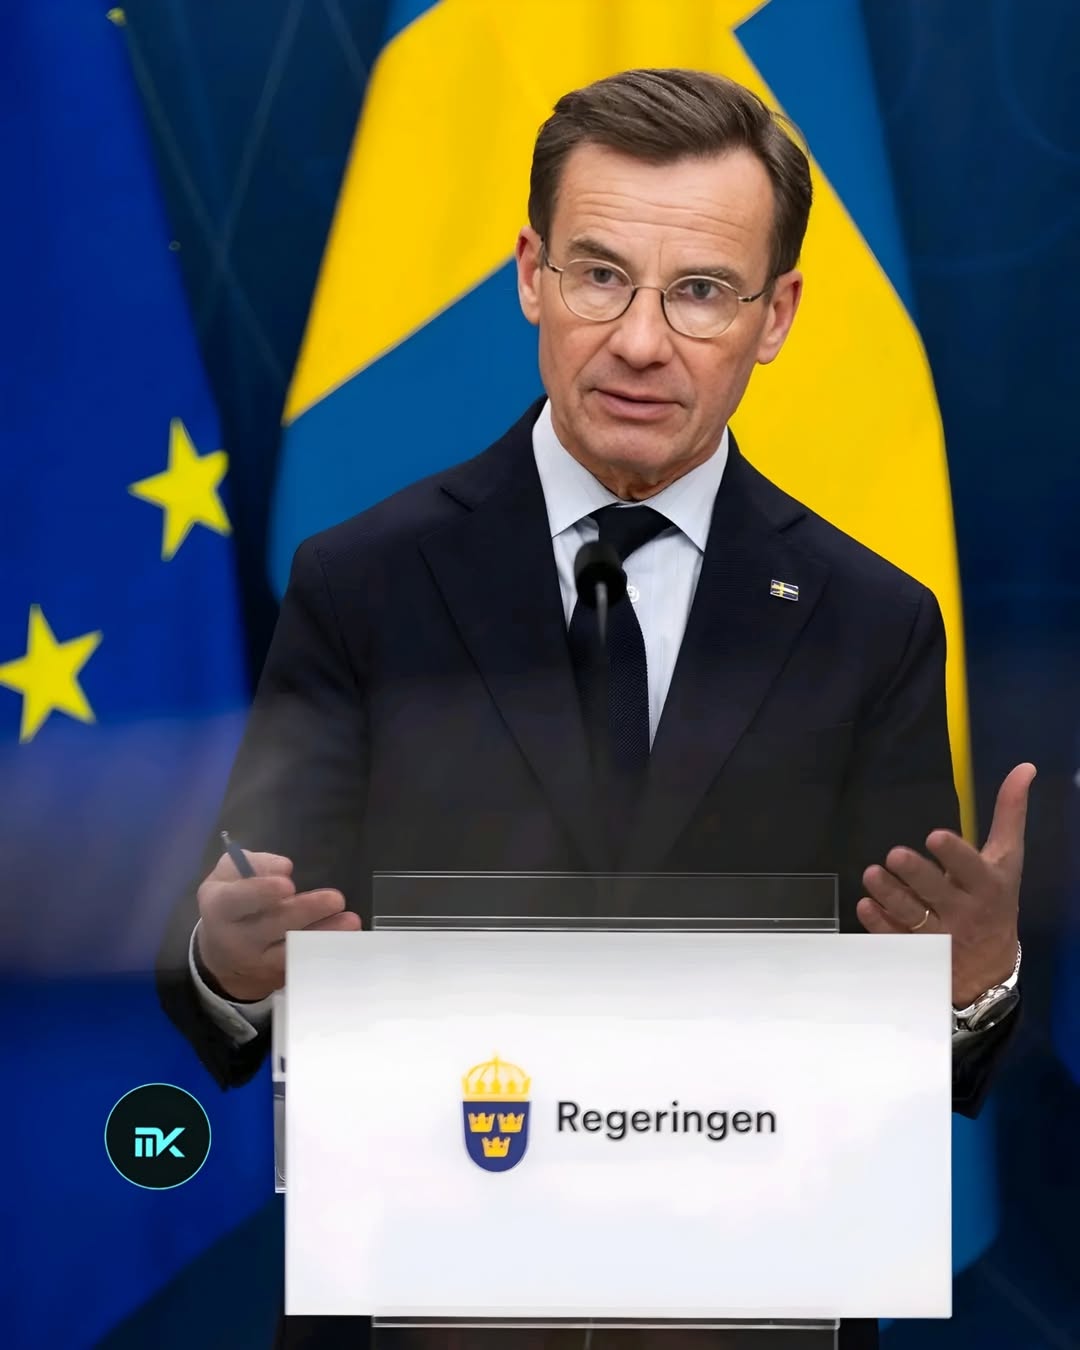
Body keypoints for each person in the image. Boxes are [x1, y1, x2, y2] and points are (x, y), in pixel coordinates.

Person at [156, 68, 1032, 1350]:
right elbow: (238, 955)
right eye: (601, 275)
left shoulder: (869, 621)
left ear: (777, 315)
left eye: (701, 291)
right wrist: (230, 964)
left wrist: (970, 984)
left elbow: (913, 1043)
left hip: (743, 1312)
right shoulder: (362, 584)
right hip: (426, 1309)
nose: (638, 341)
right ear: (531, 275)